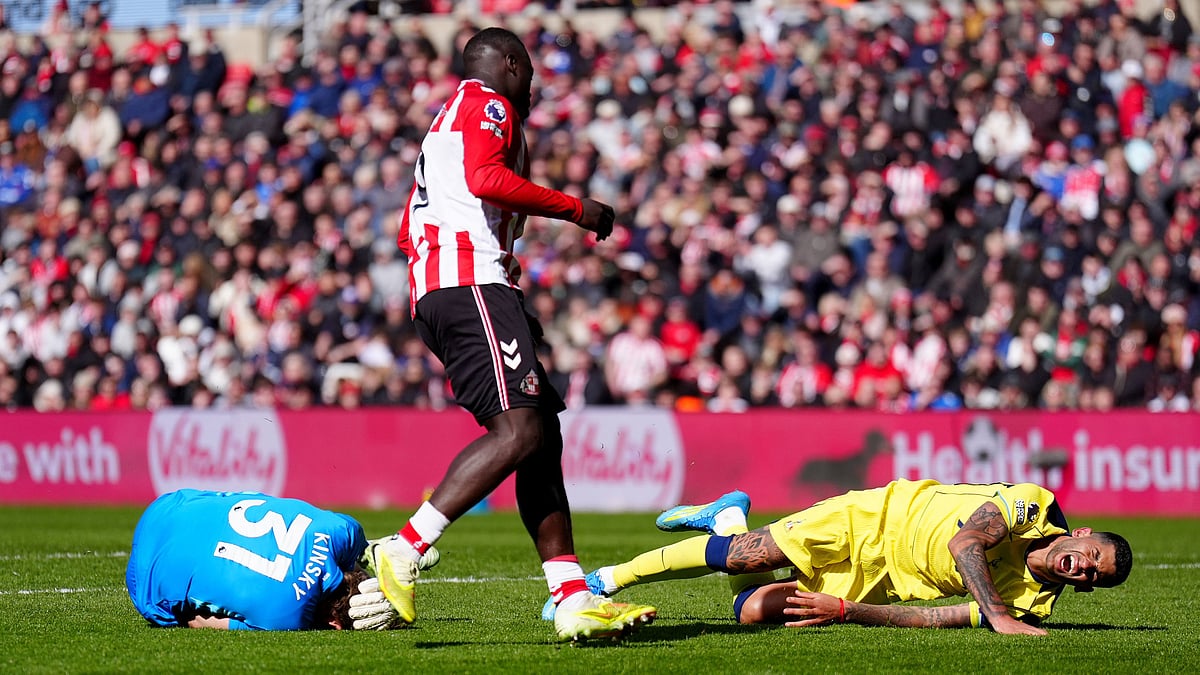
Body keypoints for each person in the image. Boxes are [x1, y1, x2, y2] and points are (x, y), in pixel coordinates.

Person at [366, 27, 656, 642]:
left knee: (540, 436)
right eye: (529, 71)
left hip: (454, 288)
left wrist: (499, 267)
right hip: (470, 286)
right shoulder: (489, 103)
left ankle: (571, 595)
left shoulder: (444, 119)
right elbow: (486, 180)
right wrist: (579, 209)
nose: (533, 84)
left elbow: (409, 229)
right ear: (512, 65)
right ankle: (406, 547)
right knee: (520, 429)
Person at [578, 480, 1132, 635]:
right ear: (1079, 532)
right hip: (875, 517)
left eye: (1092, 576)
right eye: (1091, 554)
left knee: (749, 609)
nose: (1083, 567)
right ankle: (601, 583)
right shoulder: (1033, 506)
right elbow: (966, 545)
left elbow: (930, 617)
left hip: (888, 580)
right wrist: (999, 616)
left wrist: (844, 610)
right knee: (742, 560)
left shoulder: (1035, 604)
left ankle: (727, 513)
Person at [126, 489, 407, 631]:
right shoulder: (285, 619)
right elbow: (201, 622)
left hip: (173, 501)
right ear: (335, 625)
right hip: (144, 579)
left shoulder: (342, 531)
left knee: (246, 500)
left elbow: (366, 551)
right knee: (189, 614)